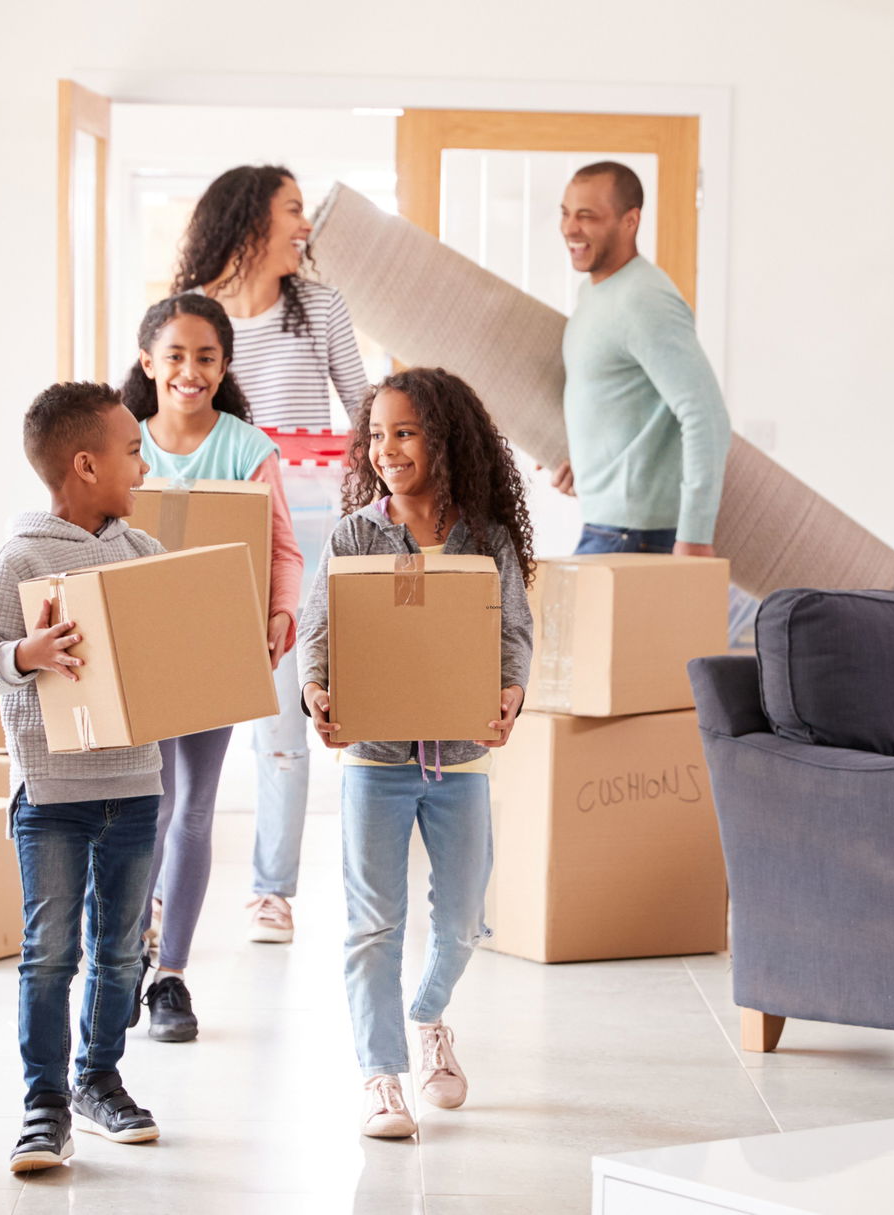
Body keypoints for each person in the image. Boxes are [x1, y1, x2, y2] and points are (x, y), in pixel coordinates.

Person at [298, 367, 535, 1139]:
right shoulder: (353, 536)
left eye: (403, 432)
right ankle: (381, 1074)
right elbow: (318, 632)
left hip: (460, 757)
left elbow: (514, 637)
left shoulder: (485, 539)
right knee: (373, 925)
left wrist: (511, 691)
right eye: (375, 436)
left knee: (464, 922)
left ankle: (428, 1015)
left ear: (446, 439)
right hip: (374, 756)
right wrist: (316, 691)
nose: (386, 450)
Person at [0, 380, 166, 1172]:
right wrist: (27, 655)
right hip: (51, 796)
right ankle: (44, 1102)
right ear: (86, 465)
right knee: (51, 950)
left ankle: (99, 1078)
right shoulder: (21, 557)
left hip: (136, 785)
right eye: (131, 451)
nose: (143, 464)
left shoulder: (141, 553)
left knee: (120, 951)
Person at [177, 164, 369, 946]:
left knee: (284, 716)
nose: (305, 225)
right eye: (293, 210)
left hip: (307, 532)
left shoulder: (319, 308)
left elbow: (365, 414)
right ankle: (164, 888)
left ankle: (271, 891)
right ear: (251, 219)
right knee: (183, 711)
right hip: (215, 530)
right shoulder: (195, 321)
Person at [123, 293, 305, 1043]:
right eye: (175, 356)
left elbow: (285, 549)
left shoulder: (246, 449)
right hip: (137, 649)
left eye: (206, 358)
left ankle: (171, 974)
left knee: (194, 805)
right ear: (148, 363)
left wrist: (278, 619)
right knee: (146, 809)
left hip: (218, 645)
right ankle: (124, 958)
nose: (190, 372)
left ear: (224, 366)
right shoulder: (121, 441)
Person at [552, 161, 730, 561]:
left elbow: (707, 416)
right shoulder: (594, 294)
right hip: (610, 524)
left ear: (630, 221)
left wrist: (696, 536)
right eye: (565, 213)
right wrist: (588, 464)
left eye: (587, 216)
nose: (569, 228)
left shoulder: (644, 299)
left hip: (637, 535)